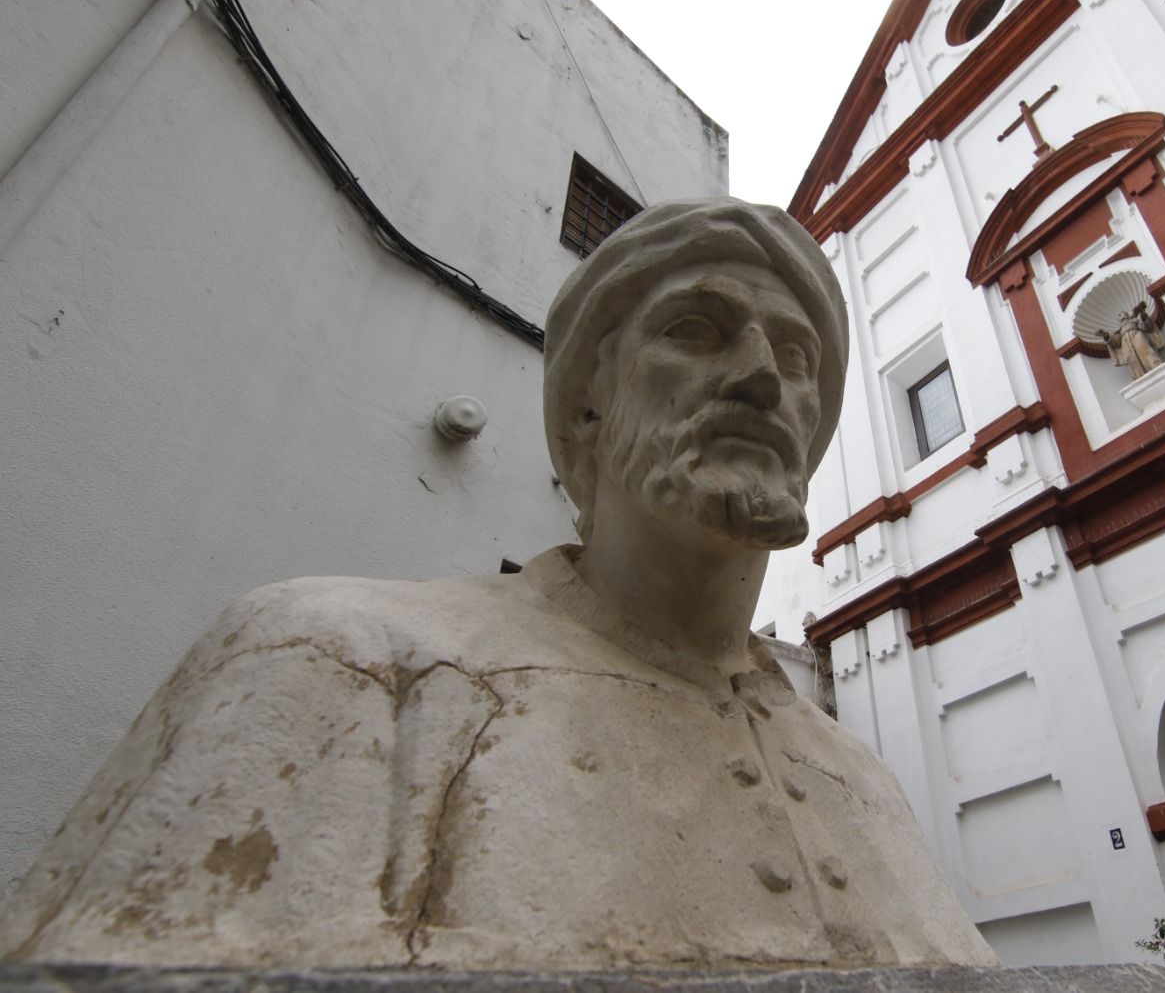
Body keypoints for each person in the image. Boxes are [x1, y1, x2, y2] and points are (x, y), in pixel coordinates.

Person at [0, 198, 998, 970]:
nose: (762, 379)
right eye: (697, 329)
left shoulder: (860, 778)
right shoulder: (340, 658)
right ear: (586, 412)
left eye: (794, 355)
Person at [1099, 301, 1165, 379]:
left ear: (1127, 315)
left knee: (1147, 353)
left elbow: (1148, 327)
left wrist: (1142, 313)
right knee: (1132, 360)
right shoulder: (1119, 330)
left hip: (1137, 336)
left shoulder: (1136, 321)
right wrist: (1105, 335)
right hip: (1126, 343)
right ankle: (1139, 376)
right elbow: (1115, 342)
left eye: (1122, 314)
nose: (1121, 316)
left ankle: (1157, 367)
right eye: (1120, 316)